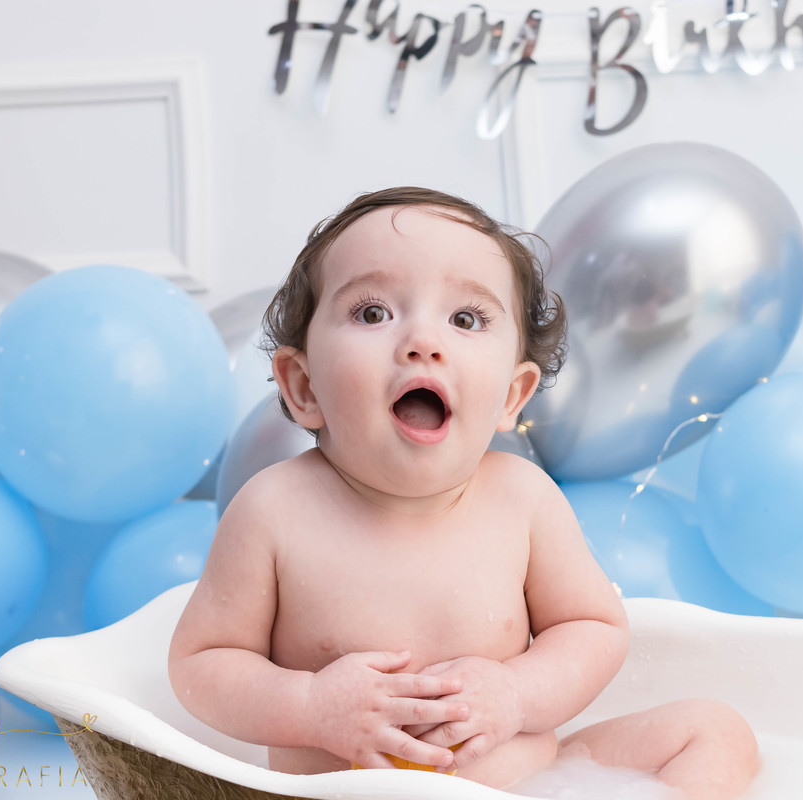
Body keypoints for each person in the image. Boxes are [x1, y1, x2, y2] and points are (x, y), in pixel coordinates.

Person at [168, 187, 759, 798]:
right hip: (348, 791)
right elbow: (201, 665)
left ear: (511, 395)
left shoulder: (523, 499)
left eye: (465, 319)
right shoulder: (273, 511)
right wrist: (311, 704)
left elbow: (592, 627)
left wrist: (516, 693)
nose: (424, 341)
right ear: (303, 385)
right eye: (373, 313)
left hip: (530, 784)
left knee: (715, 731)